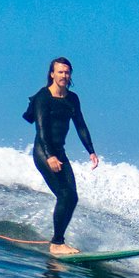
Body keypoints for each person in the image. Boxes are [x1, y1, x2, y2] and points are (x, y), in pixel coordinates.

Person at [23, 57, 98, 253]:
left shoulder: (72, 98)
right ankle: (57, 244)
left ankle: (58, 241)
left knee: (72, 197)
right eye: (60, 72)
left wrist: (91, 151)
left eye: (67, 72)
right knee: (65, 195)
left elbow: (80, 125)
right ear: (52, 74)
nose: (64, 75)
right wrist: (50, 156)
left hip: (60, 152)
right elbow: (41, 130)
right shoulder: (43, 98)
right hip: (43, 151)